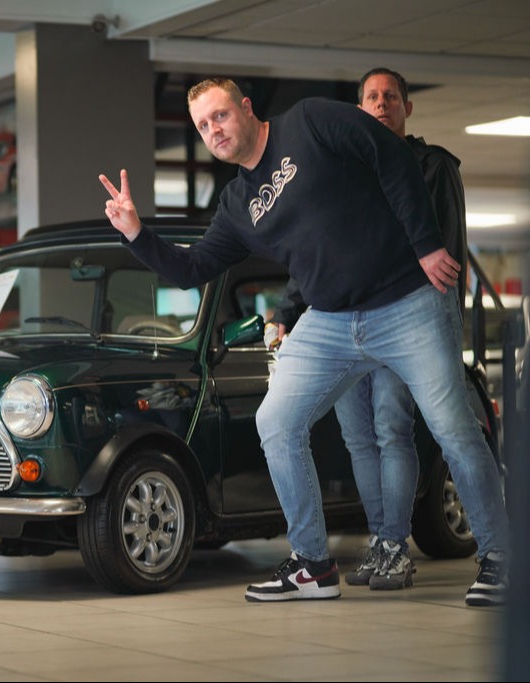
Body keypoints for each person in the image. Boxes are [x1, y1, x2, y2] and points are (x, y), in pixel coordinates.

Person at [98, 77, 509, 606]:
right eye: (202, 126)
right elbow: (191, 268)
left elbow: (392, 156)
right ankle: (314, 564)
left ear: (246, 108)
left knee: (453, 428)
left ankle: (499, 557)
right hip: (331, 320)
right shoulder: (237, 204)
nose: (213, 130)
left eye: (220, 115)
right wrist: (135, 233)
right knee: (276, 421)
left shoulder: (311, 122)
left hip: (406, 301)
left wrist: (427, 244)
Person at [267, 67, 471, 592]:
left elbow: (446, 253)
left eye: (391, 97)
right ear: (359, 109)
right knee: (358, 438)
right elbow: (318, 250)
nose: (381, 104)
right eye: (372, 97)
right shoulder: (342, 168)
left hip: (404, 318)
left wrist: (443, 325)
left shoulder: (433, 165)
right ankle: (381, 542)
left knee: (390, 427)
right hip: (342, 323)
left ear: (407, 108)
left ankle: (395, 545)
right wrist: (285, 311)